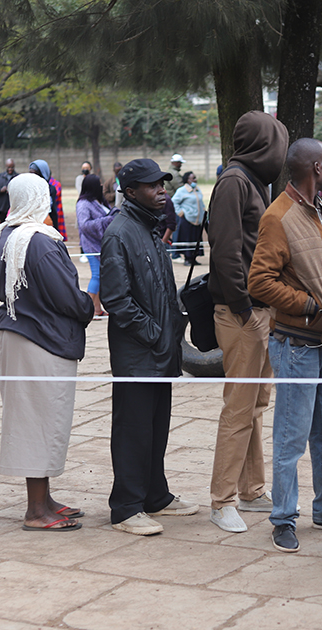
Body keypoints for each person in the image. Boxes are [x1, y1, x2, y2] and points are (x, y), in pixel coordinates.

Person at [247, 138, 322, 546]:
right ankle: (283, 519)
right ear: (314, 168)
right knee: (291, 436)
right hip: (296, 344)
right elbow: (259, 282)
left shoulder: (318, 209)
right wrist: (309, 306)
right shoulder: (280, 215)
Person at [0, 173, 95, 532]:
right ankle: (35, 511)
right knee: (38, 423)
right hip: (40, 341)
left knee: (42, 419)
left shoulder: (6, 233)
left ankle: (44, 499)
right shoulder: (40, 242)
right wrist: (88, 305)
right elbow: (66, 297)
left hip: (17, 335)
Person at [101, 159, 198, 535]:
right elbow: (117, 300)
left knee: (157, 428)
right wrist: (156, 333)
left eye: (163, 183)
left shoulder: (149, 229)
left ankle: (155, 495)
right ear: (130, 191)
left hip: (160, 352)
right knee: (133, 430)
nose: (162, 190)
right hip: (138, 353)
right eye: (152, 185)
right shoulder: (120, 233)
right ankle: (126, 507)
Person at [207, 110, 288, 532]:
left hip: (260, 311)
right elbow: (225, 250)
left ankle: (252, 489)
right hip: (242, 314)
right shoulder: (234, 182)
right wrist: (242, 307)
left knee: (257, 404)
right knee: (238, 407)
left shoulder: (253, 180)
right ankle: (222, 500)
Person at [76, 174, 118, 317]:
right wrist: (106, 221)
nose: (101, 186)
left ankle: (97, 308)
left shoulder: (98, 201)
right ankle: (85, 307)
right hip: (91, 245)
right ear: (92, 186)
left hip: (102, 244)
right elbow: (84, 225)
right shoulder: (83, 204)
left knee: (100, 276)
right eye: (99, 184)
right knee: (97, 275)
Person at [170, 171, 205, 266]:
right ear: (187, 180)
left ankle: (193, 258)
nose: (195, 180)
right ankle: (187, 259)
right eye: (193, 178)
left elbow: (200, 202)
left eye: (195, 177)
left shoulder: (197, 190)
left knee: (195, 239)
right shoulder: (182, 190)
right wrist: (180, 212)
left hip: (197, 220)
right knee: (187, 239)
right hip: (187, 219)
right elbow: (173, 201)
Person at [29, 160, 60, 231]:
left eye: (35, 174)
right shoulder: (28, 189)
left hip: (46, 225)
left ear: (42, 174)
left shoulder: (50, 189)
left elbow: (53, 211)